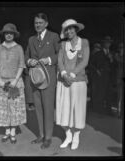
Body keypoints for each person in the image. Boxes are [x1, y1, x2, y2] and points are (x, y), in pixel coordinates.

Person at [25, 13, 60, 149]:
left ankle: (48, 137)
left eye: (40, 23)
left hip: (49, 78)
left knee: (48, 108)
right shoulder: (31, 39)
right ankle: (41, 135)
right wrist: (29, 61)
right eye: (36, 23)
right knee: (38, 108)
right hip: (35, 78)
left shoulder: (54, 36)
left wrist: (49, 60)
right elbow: (26, 55)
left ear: (46, 23)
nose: (37, 25)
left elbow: (60, 53)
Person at [0, 23, 26, 144]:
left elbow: (21, 65)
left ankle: (13, 132)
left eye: (11, 33)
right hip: (2, 82)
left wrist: (15, 81)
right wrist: (0, 81)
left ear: (14, 35)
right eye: (6, 33)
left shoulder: (19, 48)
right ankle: (6, 132)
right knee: (3, 107)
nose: (9, 35)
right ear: (4, 34)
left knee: (14, 107)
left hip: (15, 81)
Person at [56, 19, 89, 150]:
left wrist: (73, 74)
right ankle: (68, 135)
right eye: (66, 30)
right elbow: (60, 61)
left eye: (71, 28)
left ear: (76, 29)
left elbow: (85, 61)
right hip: (64, 81)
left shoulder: (84, 42)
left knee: (77, 110)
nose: (69, 31)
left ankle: (76, 136)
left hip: (78, 82)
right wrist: (64, 74)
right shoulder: (63, 45)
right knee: (64, 109)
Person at [92, 36, 113, 114]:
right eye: (107, 42)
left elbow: (114, 65)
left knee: (108, 93)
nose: (108, 44)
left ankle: (108, 110)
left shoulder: (111, 53)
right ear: (104, 43)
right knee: (100, 93)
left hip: (109, 76)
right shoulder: (98, 53)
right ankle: (99, 110)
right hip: (100, 76)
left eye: (109, 43)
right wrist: (97, 70)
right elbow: (92, 64)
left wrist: (111, 60)